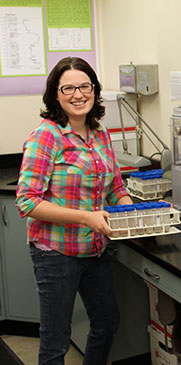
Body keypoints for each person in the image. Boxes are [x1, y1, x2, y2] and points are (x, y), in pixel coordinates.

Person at [15, 56, 133, 365]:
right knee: (56, 341)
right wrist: (86, 217)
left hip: (94, 249)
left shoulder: (100, 134)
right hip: (55, 253)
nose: (78, 95)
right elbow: (27, 201)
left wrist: (133, 213)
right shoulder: (46, 136)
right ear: (55, 93)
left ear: (95, 91)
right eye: (68, 88)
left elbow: (116, 189)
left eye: (85, 86)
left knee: (107, 323)